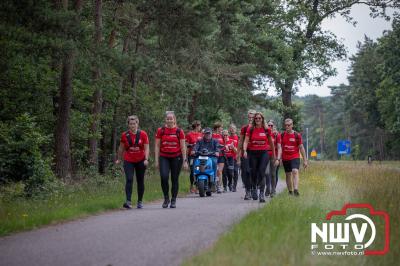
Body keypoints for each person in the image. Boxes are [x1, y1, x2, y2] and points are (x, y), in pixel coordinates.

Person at [155, 111, 188, 208]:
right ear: (165, 120)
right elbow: (157, 146)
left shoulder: (179, 131)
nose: (169, 120)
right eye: (168, 118)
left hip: (176, 157)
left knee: (174, 179)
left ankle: (173, 200)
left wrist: (185, 161)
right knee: (164, 177)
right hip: (164, 156)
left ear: (174, 120)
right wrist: (156, 161)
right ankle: (166, 198)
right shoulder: (161, 130)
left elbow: (183, 147)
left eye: (171, 118)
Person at [116, 115, 149, 209]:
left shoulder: (143, 134)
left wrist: (146, 159)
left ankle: (140, 201)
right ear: (128, 125)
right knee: (129, 179)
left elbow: (146, 148)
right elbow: (121, 148)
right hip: (128, 160)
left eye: (134, 123)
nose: (132, 125)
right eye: (130, 124)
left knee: (140, 180)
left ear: (137, 124)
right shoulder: (124, 135)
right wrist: (119, 158)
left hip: (141, 160)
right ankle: (128, 201)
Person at [243, 112, 275, 202]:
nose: (257, 120)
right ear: (254, 120)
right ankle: (254, 187)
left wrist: (274, 155)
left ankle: (261, 193)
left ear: (262, 119)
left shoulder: (266, 129)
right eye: (256, 118)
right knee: (253, 172)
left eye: (259, 118)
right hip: (252, 153)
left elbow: (271, 143)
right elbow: (245, 141)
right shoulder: (250, 129)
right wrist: (245, 150)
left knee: (262, 171)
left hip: (264, 153)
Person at [280, 118, 307, 196]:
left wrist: (305, 160)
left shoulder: (297, 135)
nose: (287, 127)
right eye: (286, 125)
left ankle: (296, 190)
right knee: (288, 174)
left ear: (292, 125)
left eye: (289, 125)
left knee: (295, 171)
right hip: (285, 158)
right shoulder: (282, 135)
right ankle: (290, 191)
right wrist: (280, 158)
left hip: (294, 156)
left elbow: (301, 147)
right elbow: (280, 147)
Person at [237, 110, 256, 200]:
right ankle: (248, 191)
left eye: (253, 117)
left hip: (256, 152)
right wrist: (238, 156)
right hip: (246, 152)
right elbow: (240, 141)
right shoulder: (244, 128)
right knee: (246, 171)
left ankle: (254, 188)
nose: (251, 119)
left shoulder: (259, 127)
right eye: (249, 117)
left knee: (254, 172)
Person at [265, 120, 281, 198]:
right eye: (269, 125)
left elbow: (279, 147)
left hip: (273, 156)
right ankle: (267, 188)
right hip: (265, 155)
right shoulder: (265, 133)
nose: (270, 127)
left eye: (271, 125)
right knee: (266, 173)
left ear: (273, 126)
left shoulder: (276, 135)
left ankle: (273, 190)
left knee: (273, 173)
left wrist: (278, 158)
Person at [186, 120, 203, 193]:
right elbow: (186, 145)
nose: (200, 127)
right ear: (196, 126)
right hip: (192, 156)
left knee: (199, 170)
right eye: (200, 126)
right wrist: (186, 158)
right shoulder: (189, 134)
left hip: (199, 156)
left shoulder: (201, 135)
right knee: (193, 171)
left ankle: (198, 187)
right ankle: (191, 185)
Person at [212, 122, 224, 193]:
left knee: (219, 171)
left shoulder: (222, 135)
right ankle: (213, 185)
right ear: (217, 128)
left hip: (221, 155)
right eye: (221, 127)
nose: (222, 128)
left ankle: (219, 186)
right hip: (213, 155)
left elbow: (224, 144)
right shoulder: (212, 135)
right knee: (214, 171)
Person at [228, 124, 239, 192]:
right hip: (228, 158)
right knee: (230, 172)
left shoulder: (237, 138)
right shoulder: (227, 137)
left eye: (233, 128)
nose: (232, 130)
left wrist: (233, 147)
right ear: (229, 130)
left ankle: (234, 186)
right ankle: (230, 184)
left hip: (235, 157)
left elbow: (238, 150)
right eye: (231, 128)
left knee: (235, 172)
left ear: (235, 130)